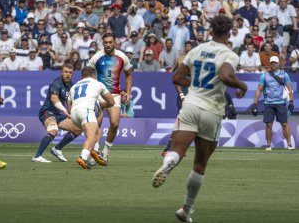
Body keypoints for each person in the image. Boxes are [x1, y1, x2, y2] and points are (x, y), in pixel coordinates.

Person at [151, 15, 248, 222]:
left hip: (190, 105)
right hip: (211, 111)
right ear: (229, 33)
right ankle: (186, 209)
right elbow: (225, 76)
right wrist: (242, 85)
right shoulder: (229, 54)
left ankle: (169, 163)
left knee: (177, 150)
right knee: (200, 164)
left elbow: (176, 78)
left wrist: (195, 83)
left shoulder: (196, 50)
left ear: (210, 31)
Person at [88, 33, 132, 164]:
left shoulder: (122, 57)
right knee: (96, 125)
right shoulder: (96, 58)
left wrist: (128, 93)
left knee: (115, 123)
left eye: (110, 42)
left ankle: (105, 152)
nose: (108, 44)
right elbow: (88, 76)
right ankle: (94, 153)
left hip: (114, 95)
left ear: (114, 43)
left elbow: (128, 74)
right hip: (99, 95)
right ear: (103, 43)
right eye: (105, 42)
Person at [32, 63, 82, 163]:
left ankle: (57, 149)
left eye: (70, 72)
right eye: (66, 72)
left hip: (59, 114)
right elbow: (54, 99)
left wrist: (71, 113)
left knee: (78, 128)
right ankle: (37, 156)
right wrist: (65, 111)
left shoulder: (72, 86)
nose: (68, 74)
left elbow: (70, 101)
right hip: (47, 111)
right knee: (53, 130)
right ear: (61, 73)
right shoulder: (56, 83)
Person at [68, 67, 115, 169]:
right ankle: (83, 157)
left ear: (82, 76)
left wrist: (70, 113)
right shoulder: (97, 83)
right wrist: (102, 105)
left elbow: (68, 102)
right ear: (94, 75)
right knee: (91, 137)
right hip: (86, 111)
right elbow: (111, 102)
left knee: (97, 131)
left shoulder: (74, 86)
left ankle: (94, 151)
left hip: (74, 114)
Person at [251, 56, 294, 151]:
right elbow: (259, 90)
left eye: (275, 62)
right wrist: (255, 104)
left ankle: (289, 144)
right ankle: (269, 145)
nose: (273, 64)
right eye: (272, 63)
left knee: (284, 123)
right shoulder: (264, 75)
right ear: (269, 64)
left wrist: (290, 101)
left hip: (281, 103)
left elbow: (290, 89)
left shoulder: (284, 74)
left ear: (278, 63)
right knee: (268, 124)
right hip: (268, 103)